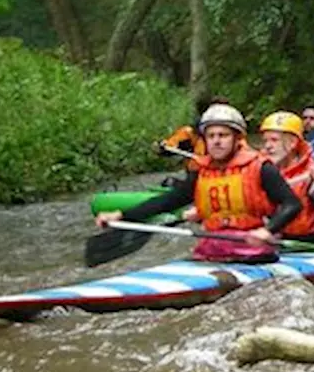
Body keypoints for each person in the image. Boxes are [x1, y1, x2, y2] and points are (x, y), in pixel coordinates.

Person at [95, 103, 302, 262]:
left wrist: (267, 230)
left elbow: (292, 204)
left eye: (223, 135)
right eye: (211, 136)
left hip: (253, 251)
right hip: (212, 249)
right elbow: (167, 202)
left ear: (237, 138)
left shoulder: (261, 168)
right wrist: (121, 215)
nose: (216, 141)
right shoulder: (202, 172)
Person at [259, 111, 314, 244]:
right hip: (271, 238)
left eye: (274, 140)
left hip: (308, 241)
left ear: (293, 143)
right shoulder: (259, 167)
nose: (268, 146)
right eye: (265, 140)